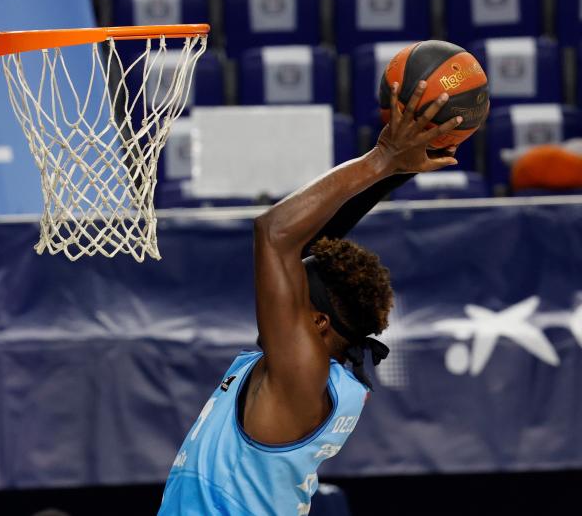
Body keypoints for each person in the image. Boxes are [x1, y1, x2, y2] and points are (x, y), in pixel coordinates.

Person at [157, 81, 464, 515]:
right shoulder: (312, 361)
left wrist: (383, 157)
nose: (281, 287)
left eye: (296, 286)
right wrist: (398, 170)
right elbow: (304, 242)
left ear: (319, 322)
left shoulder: (299, 375)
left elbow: (275, 232)